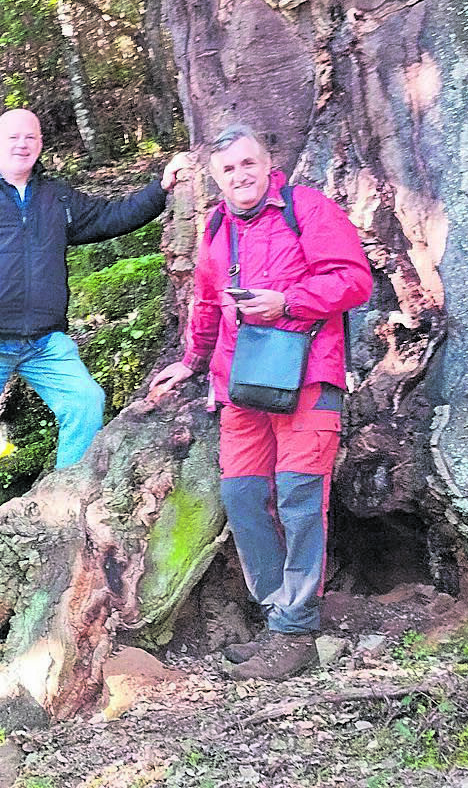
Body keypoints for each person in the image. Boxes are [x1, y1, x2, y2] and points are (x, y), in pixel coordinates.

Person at [148, 124, 372, 680]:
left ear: (267, 163)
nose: (240, 176)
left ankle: (296, 630)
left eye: (248, 164)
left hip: (308, 376)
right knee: (243, 498)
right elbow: (205, 300)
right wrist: (191, 361)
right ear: (215, 178)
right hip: (239, 383)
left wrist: (288, 302)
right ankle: (278, 615)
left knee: (299, 496)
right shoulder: (217, 226)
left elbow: (353, 280)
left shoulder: (307, 208)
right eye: (227, 169)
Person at [0, 108, 195, 553]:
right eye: (13, 137)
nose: (21, 144)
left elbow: (111, 218)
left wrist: (161, 189)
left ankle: (62, 514)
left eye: (30, 137)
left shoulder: (55, 198)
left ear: (41, 143)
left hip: (44, 342)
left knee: (86, 403)